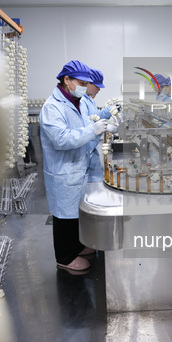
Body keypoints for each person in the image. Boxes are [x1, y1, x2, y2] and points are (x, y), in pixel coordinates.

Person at [39, 60, 108, 272]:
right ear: (66, 80)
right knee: (63, 217)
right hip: (64, 170)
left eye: (86, 83)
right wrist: (93, 130)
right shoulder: (53, 107)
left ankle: (77, 247)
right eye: (80, 82)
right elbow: (61, 139)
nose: (84, 87)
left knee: (75, 213)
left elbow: (83, 129)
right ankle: (65, 257)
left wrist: (100, 124)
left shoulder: (75, 102)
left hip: (78, 168)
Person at [80, 68, 116, 182]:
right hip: (84, 149)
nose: (99, 89)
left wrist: (108, 110)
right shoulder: (81, 101)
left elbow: (96, 116)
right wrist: (106, 127)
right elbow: (85, 123)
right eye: (97, 86)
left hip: (90, 147)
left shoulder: (89, 100)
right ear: (88, 83)